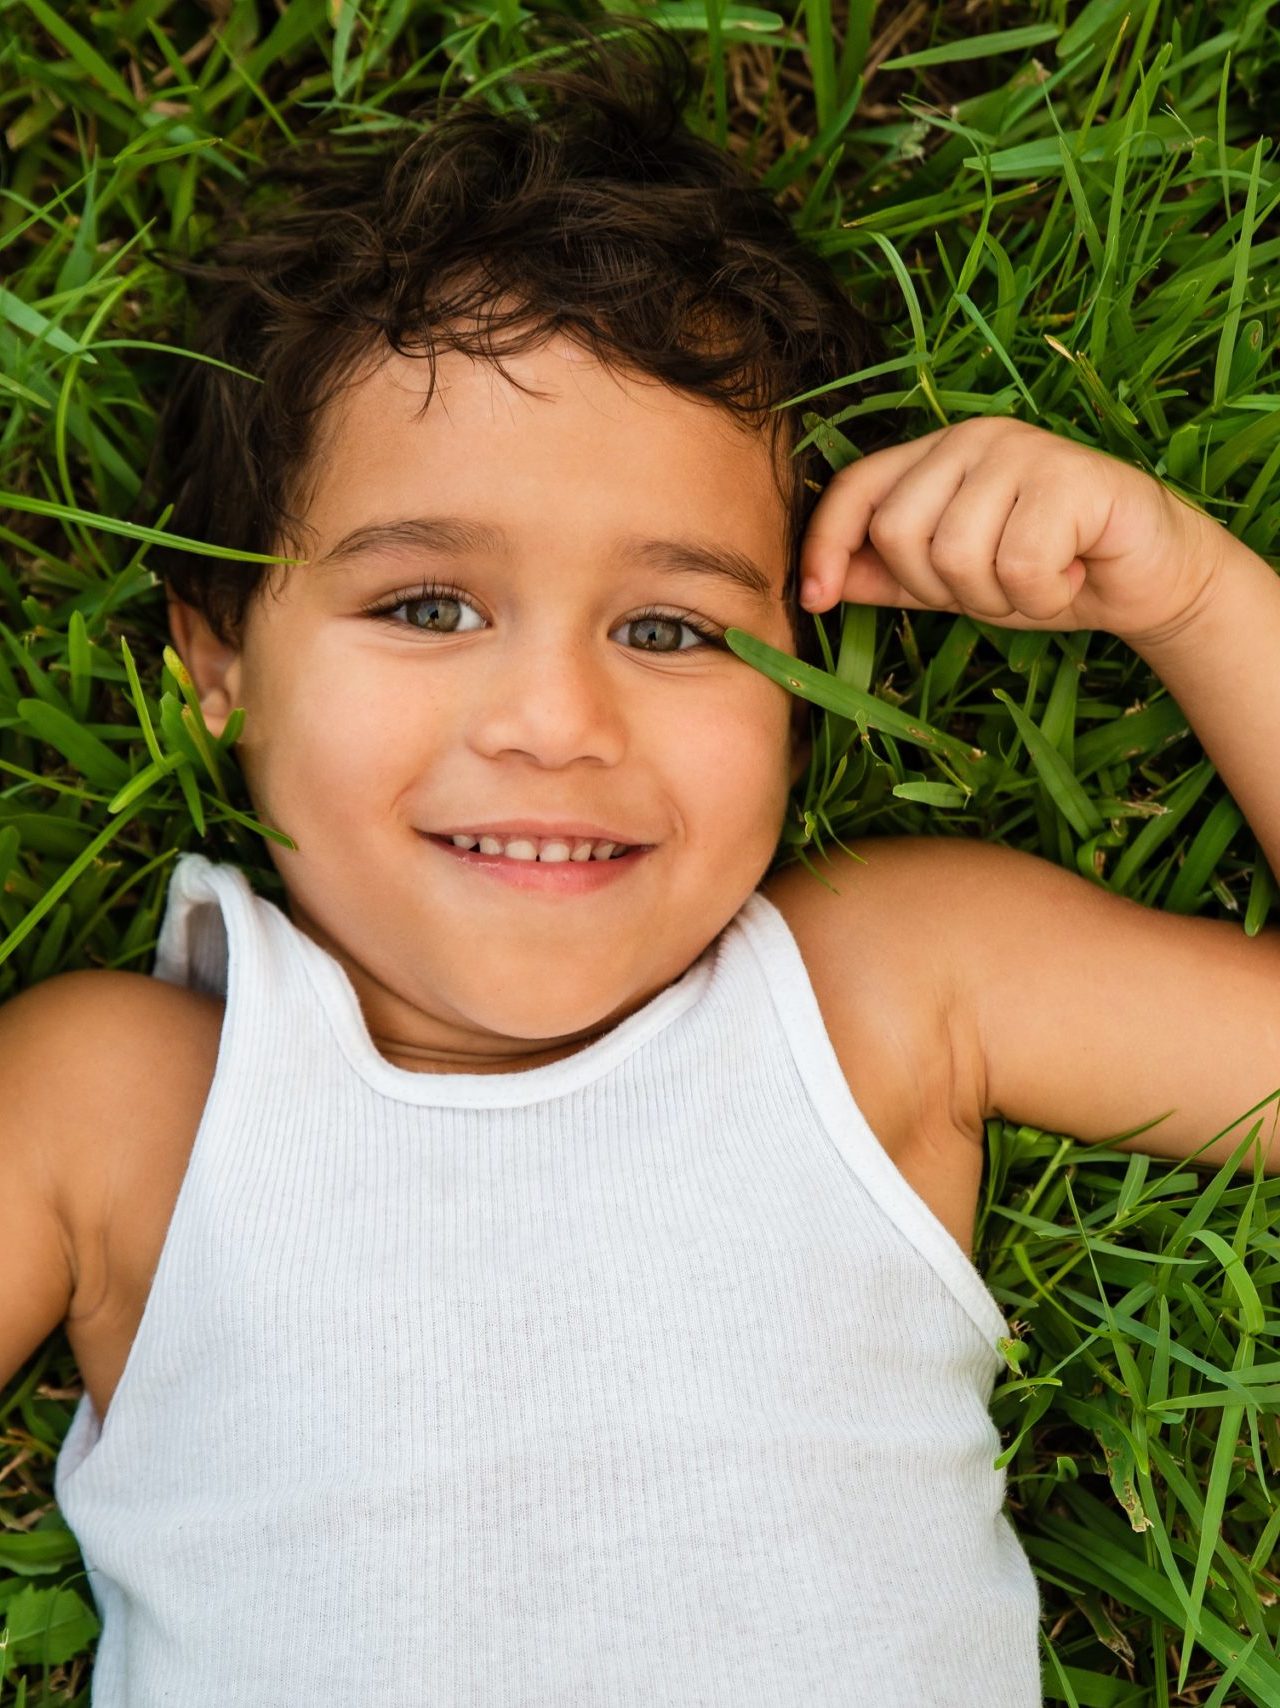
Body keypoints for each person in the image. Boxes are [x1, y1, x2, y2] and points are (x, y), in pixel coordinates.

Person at [3, 18, 1277, 1707]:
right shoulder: (120, 1100)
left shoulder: (889, 991)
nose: (555, 718)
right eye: (427, 605)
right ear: (218, 657)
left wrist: (1197, 601)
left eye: (671, 627)